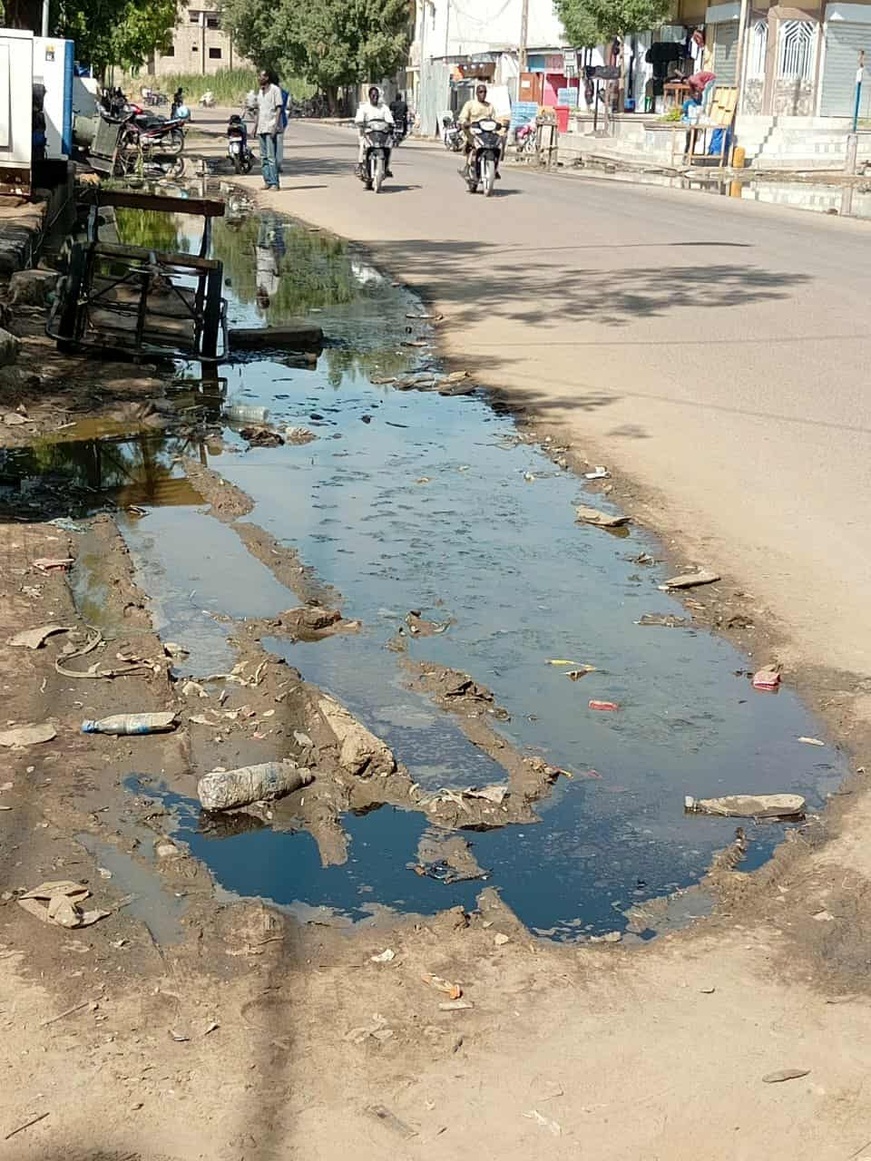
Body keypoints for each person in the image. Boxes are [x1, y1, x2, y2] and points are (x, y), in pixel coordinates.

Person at [458, 83, 504, 178]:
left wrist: (499, 125)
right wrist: (465, 123)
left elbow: (495, 119)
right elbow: (462, 117)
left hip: (487, 132)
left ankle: (494, 168)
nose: (483, 94)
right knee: (473, 147)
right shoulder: (470, 104)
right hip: (474, 131)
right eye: (480, 92)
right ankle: (468, 167)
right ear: (477, 93)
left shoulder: (490, 106)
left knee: (498, 144)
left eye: (484, 92)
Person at [355, 86, 394, 177]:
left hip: (381, 133)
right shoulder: (364, 107)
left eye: (376, 96)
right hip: (367, 132)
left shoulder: (384, 108)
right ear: (369, 96)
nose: (375, 98)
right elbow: (359, 119)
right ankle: (360, 166)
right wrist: (361, 123)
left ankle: (386, 167)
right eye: (373, 95)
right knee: (362, 145)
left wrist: (391, 125)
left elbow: (389, 120)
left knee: (389, 146)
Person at [255, 69, 283, 190]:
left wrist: (275, 126)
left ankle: (275, 182)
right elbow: (259, 110)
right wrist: (255, 127)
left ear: (267, 78)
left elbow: (278, 109)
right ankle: (267, 180)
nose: (259, 78)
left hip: (270, 126)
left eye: (261, 76)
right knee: (263, 157)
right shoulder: (260, 92)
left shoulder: (275, 90)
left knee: (271, 157)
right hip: (261, 127)